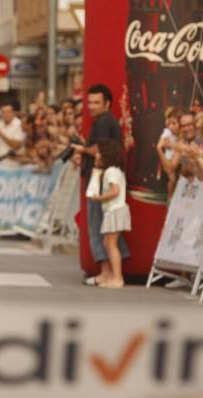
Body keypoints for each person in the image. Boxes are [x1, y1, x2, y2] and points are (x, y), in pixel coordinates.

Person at [72, 84, 130, 285]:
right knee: (106, 234)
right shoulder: (103, 122)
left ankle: (109, 272)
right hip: (101, 182)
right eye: (89, 102)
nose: (91, 106)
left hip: (101, 184)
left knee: (99, 227)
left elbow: (99, 148)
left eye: (96, 102)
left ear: (107, 103)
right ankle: (109, 273)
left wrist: (82, 149)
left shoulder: (105, 122)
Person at [87, 140, 130, 289]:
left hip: (115, 210)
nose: (97, 155)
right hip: (113, 210)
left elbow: (115, 191)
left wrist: (99, 198)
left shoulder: (111, 171)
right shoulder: (114, 170)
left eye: (99, 153)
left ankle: (118, 278)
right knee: (107, 243)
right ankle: (113, 275)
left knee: (111, 244)